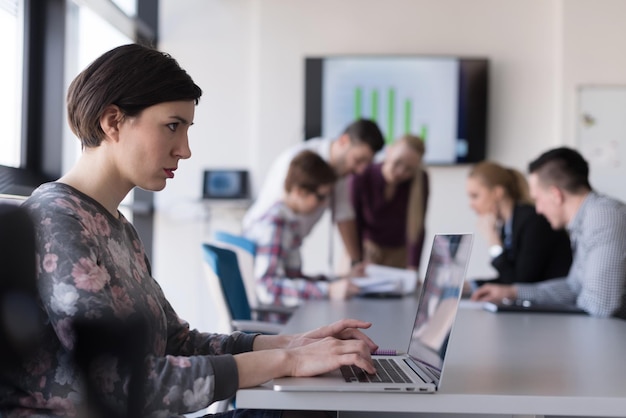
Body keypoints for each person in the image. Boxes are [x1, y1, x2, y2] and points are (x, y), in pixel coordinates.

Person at [0, 44, 379, 418]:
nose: (185, 149)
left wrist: (290, 343)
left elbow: (176, 342)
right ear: (113, 121)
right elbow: (119, 383)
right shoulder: (56, 220)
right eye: (172, 126)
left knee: (321, 402)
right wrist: (287, 361)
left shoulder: (117, 227)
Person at [472, 147, 626, 318]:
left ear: (555, 195)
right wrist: (512, 292)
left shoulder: (602, 216)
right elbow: (573, 287)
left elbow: (600, 307)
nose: (538, 210)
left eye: (537, 199)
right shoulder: (583, 221)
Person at [242, 119, 385, 267]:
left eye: (366, 164)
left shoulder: (341, 172)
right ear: (343, 141)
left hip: (286, 246)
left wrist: (356, 263)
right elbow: (277, 214)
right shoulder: (299, 161)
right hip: (263, 246)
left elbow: (344, 215)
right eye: (358, 160)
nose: (360, 170)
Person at [243, 150, 361, 313]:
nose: (324, 204)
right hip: (280, 324)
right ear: (299, 191)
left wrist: (338, 280)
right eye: (321, 197)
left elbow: (293, 278)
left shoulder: (288, 221)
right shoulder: (275, 224)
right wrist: (328, 291)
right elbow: (268, 288)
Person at [466, 161, 572, 286]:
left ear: (497, 193)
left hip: (553, 303)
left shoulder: (533, 221)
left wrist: (493, 241)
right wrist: (472, 285)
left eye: (475, 196)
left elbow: (519, 284)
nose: (471, 205)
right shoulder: (509, 226)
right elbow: (509, 277)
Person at [350, 134, 429, 270]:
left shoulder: (421, 181)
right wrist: (357, 260)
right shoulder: (362, 176)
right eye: (398, 162)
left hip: (400, 257)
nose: (400, 172)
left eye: (408, 169)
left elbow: (417, 228)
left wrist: (413, 267)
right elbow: (354, 223)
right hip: (366, 251)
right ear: (389, 151)